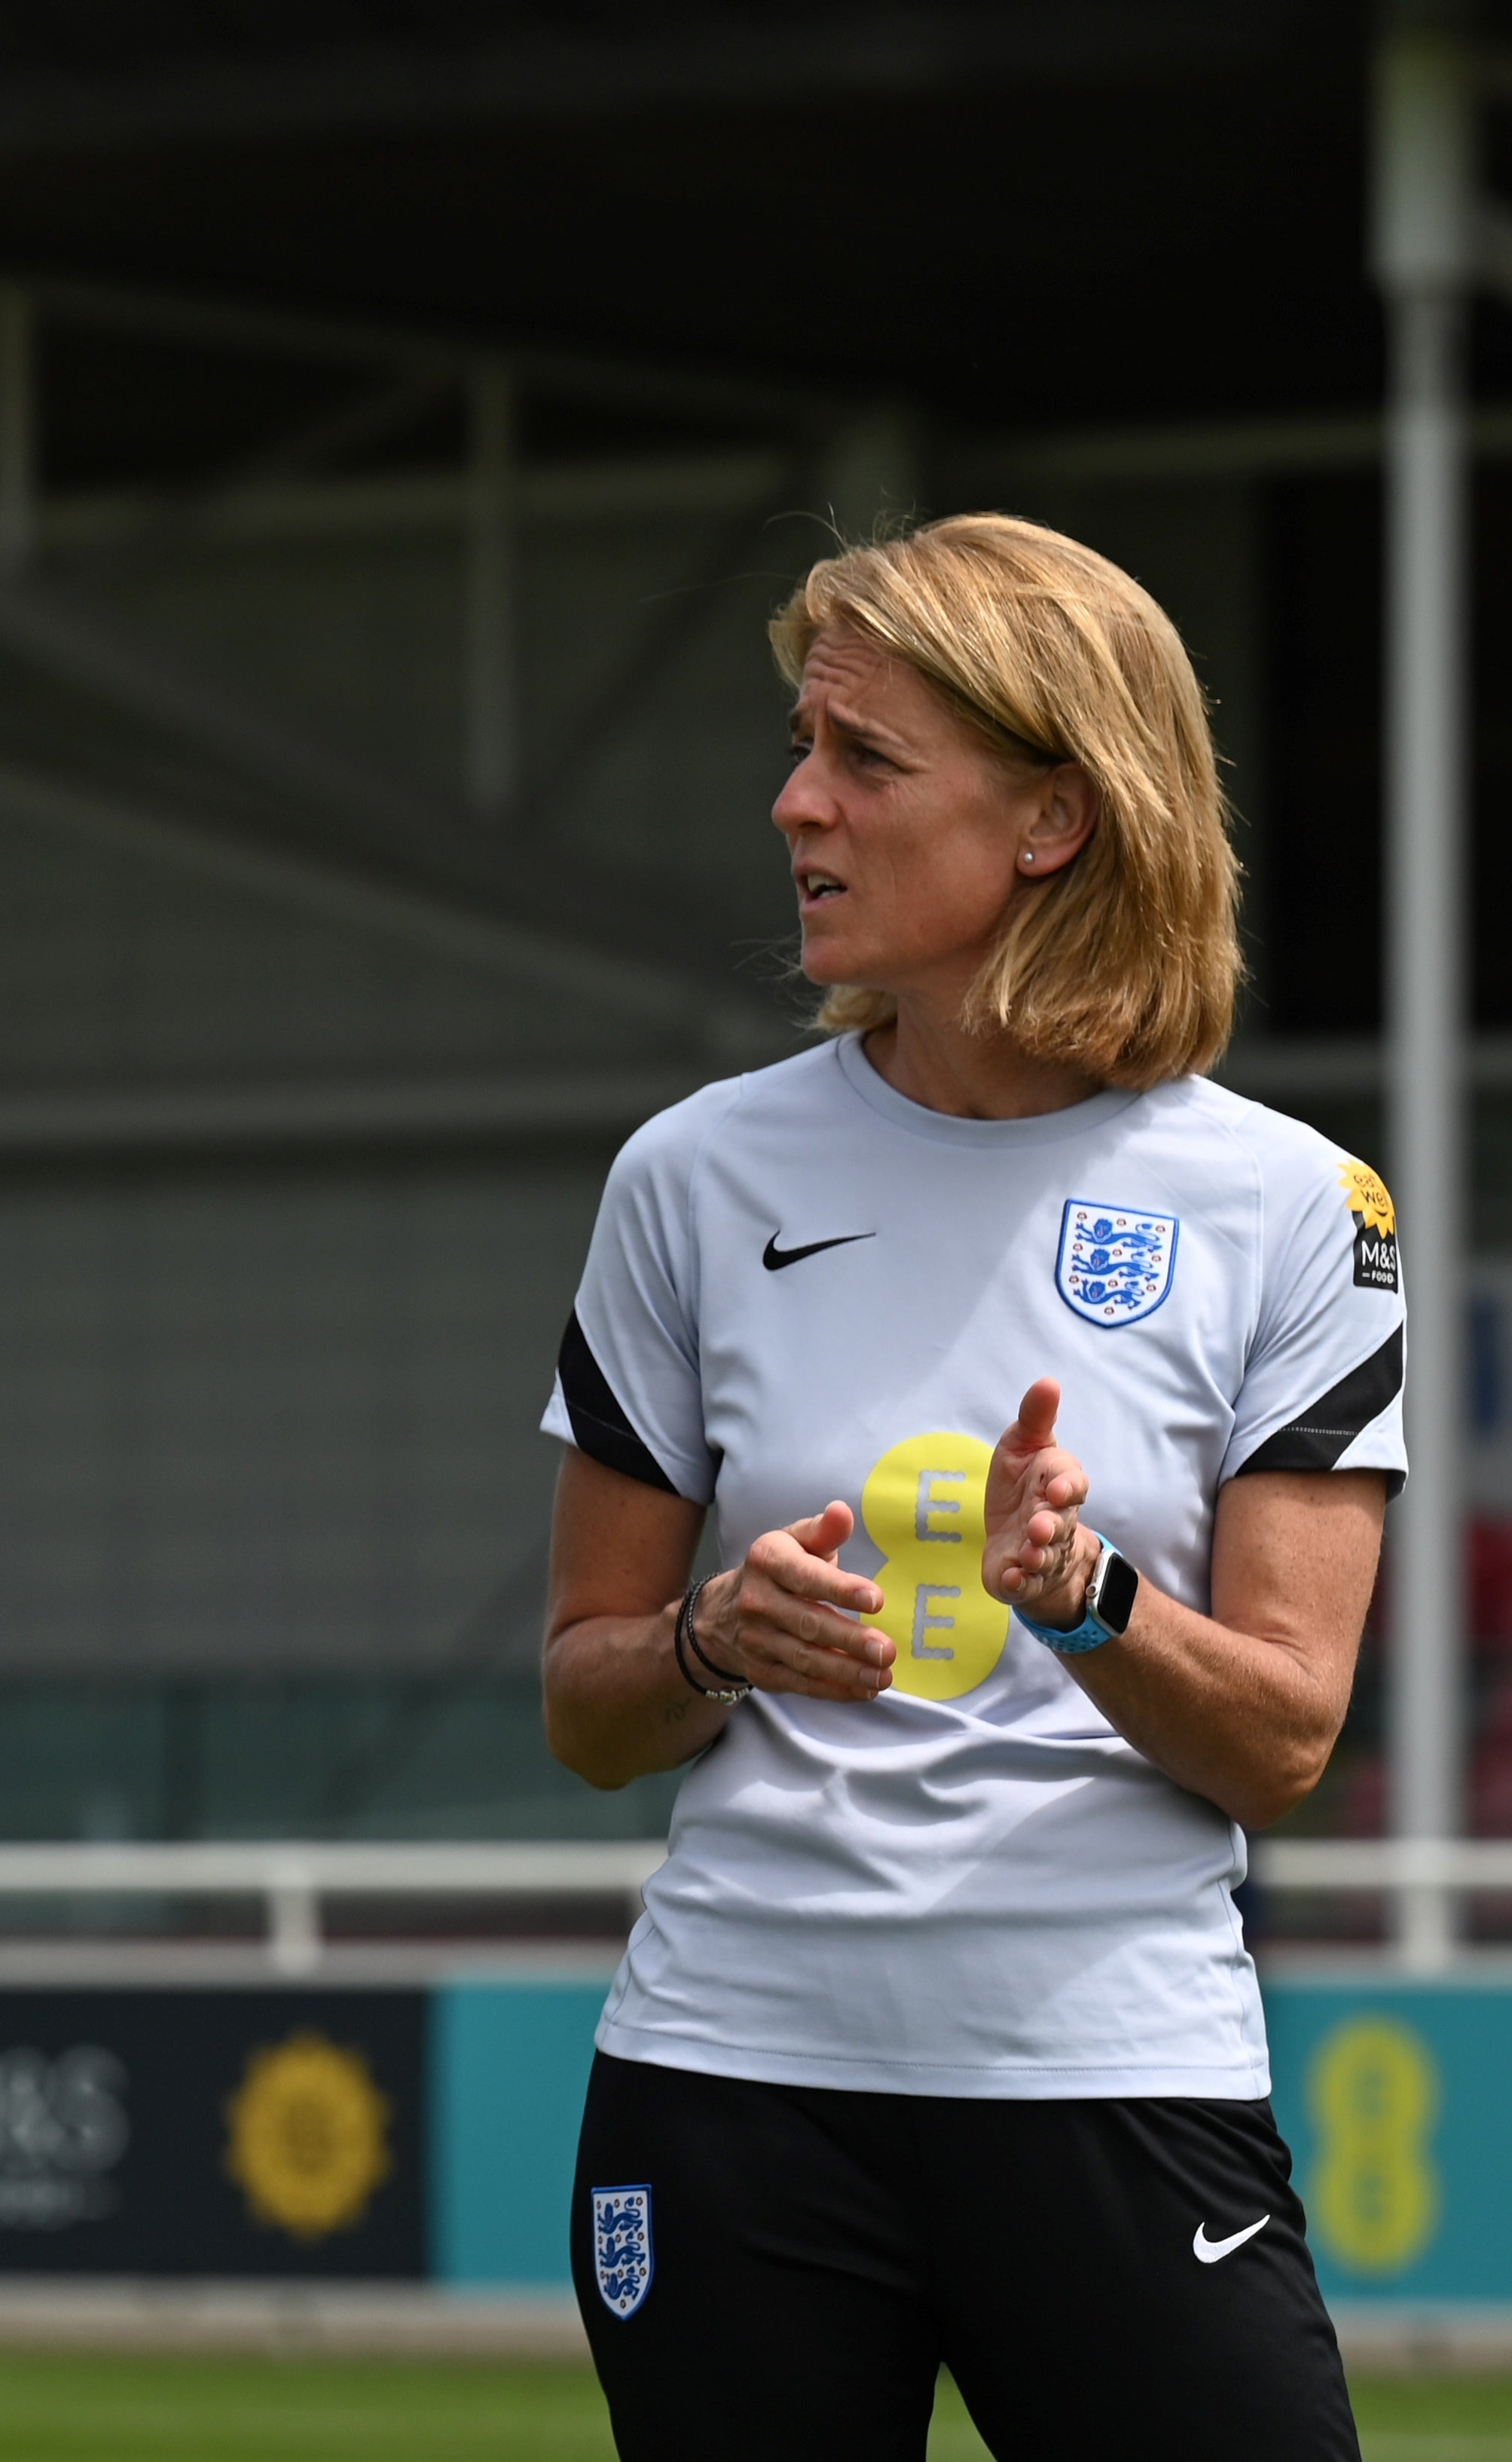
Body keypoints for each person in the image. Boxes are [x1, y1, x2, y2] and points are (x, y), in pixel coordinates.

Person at [537, 514, 1395, 2460]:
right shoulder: (690, 1176)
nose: (793, 804)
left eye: (863, 757)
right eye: (798, 743)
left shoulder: (1292, 1208)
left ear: (1051, 821)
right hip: (731, 2082)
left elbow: (1283, 1741)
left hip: (1114, 2074)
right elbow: (587, 1706)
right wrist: (712, 1637)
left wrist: (1090, 1594)